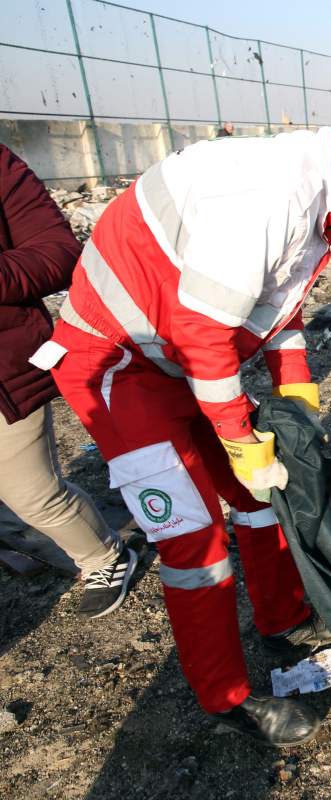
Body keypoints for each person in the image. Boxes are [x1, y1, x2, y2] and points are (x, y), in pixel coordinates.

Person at [31, 89, 331, 746]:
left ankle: (280, 616)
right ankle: (223, 694)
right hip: (114, 361)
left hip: (177, 359)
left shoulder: (323, 198)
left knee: (260, 496)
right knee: (193, 534)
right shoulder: (270, 194)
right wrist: (236, 434)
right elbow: (204, 333)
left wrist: (298, 401)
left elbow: (277, 315)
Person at [0, 144, 138, 618]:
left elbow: (58, 253)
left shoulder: (1, 166)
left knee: (33, 495)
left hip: (4, 375)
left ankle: (104, 557)